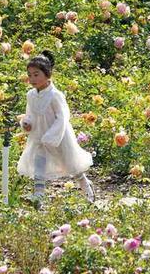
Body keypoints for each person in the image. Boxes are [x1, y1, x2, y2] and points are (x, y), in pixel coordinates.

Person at [17, 50, 94, 208]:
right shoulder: (31, 95)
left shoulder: (55, 95)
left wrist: (52, 135)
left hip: (58, 136)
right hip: (39, 136)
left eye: (36, 75)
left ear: (47, 74)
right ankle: (38, 198)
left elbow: (63, 116)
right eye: (30, 75)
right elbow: (30, 114)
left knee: (71, 164)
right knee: (39, 168)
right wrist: (27, 123)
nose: (32, 79)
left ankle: (86, 188)